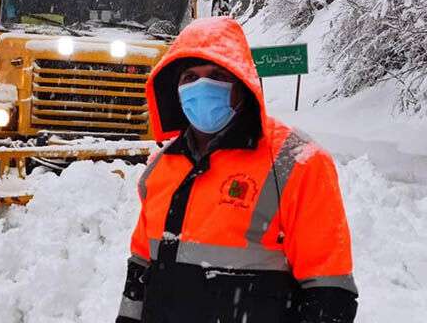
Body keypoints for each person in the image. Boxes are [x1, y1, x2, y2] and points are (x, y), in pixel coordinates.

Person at [115, 17, 358, 323]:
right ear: (175, 89)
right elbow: (141, 267)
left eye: (216, 75)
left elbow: (329, 291)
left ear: (241, 83)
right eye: (189, 76)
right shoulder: (162, 166)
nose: (201, 86)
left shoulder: (297, 162)